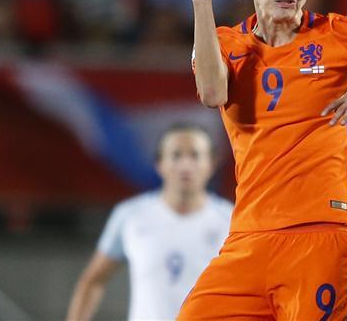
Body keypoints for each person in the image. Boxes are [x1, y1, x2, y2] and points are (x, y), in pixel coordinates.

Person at [165, 0, 347, 320]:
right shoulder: (225, 42)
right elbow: (212, 93)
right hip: (249, 235)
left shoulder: (339, 34)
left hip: (322, 231)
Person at [66, 123, 233, 321]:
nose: (185, 165)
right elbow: (93, 280)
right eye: (176, 155)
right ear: (159, 163)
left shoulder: (232, 220)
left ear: (212, 164)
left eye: (195, 155)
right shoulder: (130, 215)